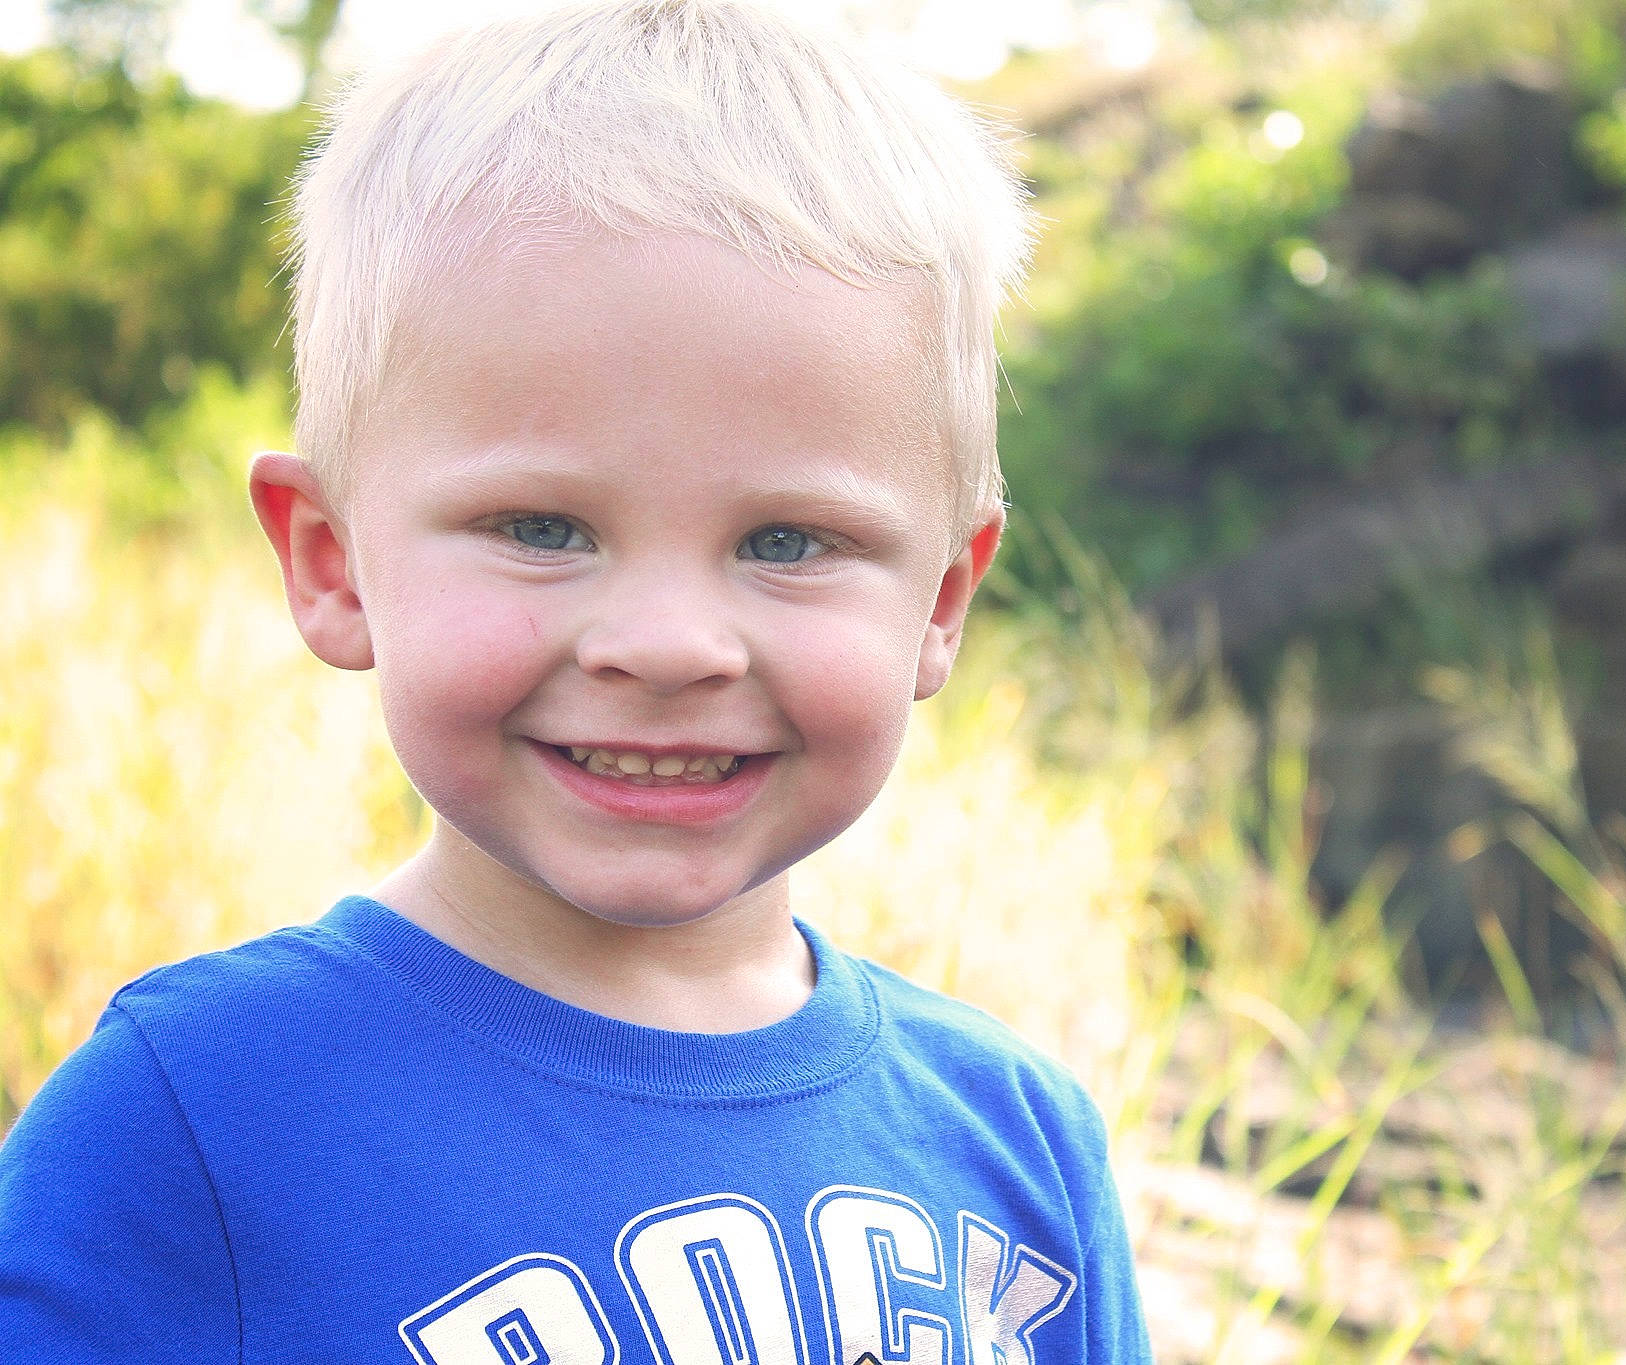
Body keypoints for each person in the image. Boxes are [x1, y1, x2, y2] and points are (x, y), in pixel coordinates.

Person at [0, 3, 1153, 1360]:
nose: (667, 644)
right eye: (543, 529)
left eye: (789, 542)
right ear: (334, 560)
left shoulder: (1017, 1138)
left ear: (941, 601)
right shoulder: (194, 1117)